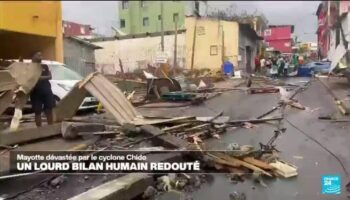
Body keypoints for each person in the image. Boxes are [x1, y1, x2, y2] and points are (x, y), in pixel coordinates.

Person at [30, 51, 55, 127]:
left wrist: (40, 78)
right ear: (33, 56)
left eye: (41, 55)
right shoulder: (29, 67)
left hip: (47, 91)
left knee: (49, 110)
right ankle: (39, 131)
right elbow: (34, 78)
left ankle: (50, 129)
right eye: (38, 55)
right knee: (37, 112)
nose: (41, 56)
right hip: (35, 92)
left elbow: (50, 76)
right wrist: (46, 77)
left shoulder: (45, 66)